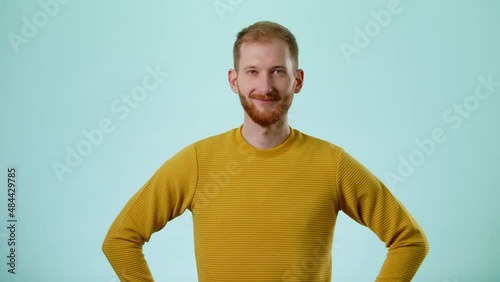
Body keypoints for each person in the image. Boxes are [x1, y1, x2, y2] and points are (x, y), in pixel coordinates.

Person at [102, 21, 429, 281]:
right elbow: (121, 239)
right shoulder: (198, 162)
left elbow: (409, 240)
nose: (265, 86)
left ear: (297, 80)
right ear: (234, 81)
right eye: (252, 71)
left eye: (278, 71)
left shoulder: (333, 164)